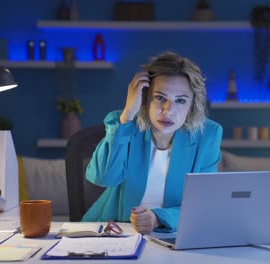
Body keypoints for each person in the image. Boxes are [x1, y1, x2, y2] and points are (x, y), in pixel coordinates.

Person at [83, 51, 223, 234]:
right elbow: (103, 178)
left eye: (180, 101)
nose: (168, 110)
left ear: (191, 106)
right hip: (115, 231)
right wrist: (126, 117)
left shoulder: (208, 135)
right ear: (145, 97)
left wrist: (158, 218)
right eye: (160, 97)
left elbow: (204, 204)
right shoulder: (123, 124)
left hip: (173, 234)